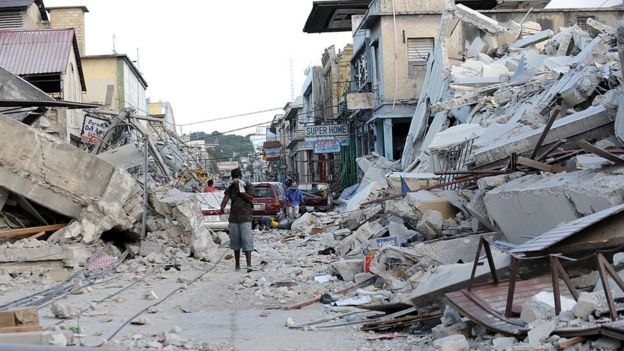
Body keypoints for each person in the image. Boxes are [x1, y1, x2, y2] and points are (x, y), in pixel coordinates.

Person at [220, 168, 255, 272]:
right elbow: (225, 198)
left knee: (247, 241)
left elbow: (250, 198)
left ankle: (249, 265)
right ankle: (237, 265)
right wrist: (222, 207)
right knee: (235, 243)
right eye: (234, 177)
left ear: (240, 177)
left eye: (237, 177)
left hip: (246, 217)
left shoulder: (247, 185)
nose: (236, 179)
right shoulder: (230, 188)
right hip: (234, 218)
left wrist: (240, 189)